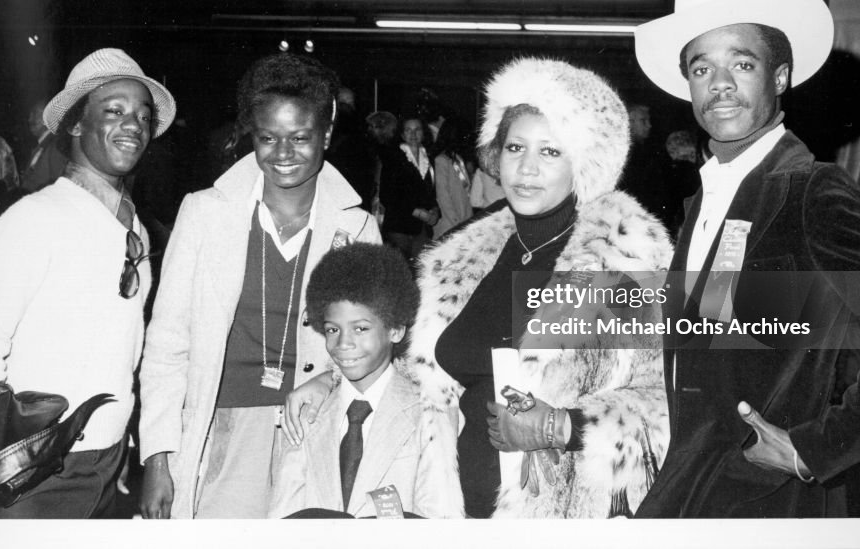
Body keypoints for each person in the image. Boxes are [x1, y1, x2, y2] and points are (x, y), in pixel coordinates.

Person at [288, 58, 674, 518]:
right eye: (515, 148)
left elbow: (669, 404)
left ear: (583, 162)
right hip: (452, 513)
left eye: (550, 152)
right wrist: (332, 381)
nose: (527, 168)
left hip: (564, 521)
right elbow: (416, 368)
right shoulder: (463, 256)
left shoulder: (620, 259)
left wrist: (562, 426)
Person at [631, 0, 860, 517]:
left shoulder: (810, 189)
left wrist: (816, 448)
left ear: (779, 77)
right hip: (690, 479)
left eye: (742, 62)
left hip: (766, 496)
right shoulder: (706, 199)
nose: (722, 85)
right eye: (702, 68)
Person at [138, 53, 381, 520]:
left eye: (300, 137)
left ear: (326, 134)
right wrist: (157, 456)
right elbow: (167, 343)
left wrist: (327, 378)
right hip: (225, 428)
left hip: (315, 429)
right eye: (267, 137)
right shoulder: (205, 213)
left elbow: (369, 349)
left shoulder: (357, 227)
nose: (283, 154)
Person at [0, 47, 176, 518]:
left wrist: (119, 444)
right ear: (76, 124)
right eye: (114, 111)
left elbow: (124, 348)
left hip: (105, 459)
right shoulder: (34, 219)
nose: (133, 125)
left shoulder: (134, 228)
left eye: (142, 115)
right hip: (37, 467)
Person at [270, 243, 463, 519]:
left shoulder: (431, 414)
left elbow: (438, 517)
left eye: (360, 329)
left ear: (395, 330)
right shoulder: (307, 413)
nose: (343, 343)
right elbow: (281, 514)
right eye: (332, 330)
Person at [378, 116, 438, 262]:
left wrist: (435, 210)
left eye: (417, 130)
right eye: (408, 130)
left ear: (424, 133)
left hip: (421, 229)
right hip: (399, 229)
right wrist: (417, 212)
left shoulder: (428, 158)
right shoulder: (393, 158)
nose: (413, 134)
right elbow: (387, 196)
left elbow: (430, 194)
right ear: (402, 134)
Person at [431, 118, 473, 238]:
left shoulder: (457, 159)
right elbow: (442, 195)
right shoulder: (441, 161)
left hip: (463, 219)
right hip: (449, 224)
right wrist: (455, 223)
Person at [19, 99, 68, 192]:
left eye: (35, 114)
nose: (30, 119)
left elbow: (57, 184)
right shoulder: (43, 145)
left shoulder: (55, 145)